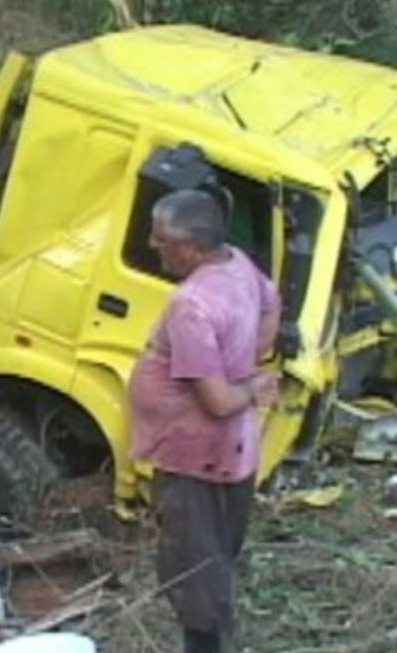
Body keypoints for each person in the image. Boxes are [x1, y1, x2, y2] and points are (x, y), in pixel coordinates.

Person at [128, 189, 281, 653]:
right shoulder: (235, 263)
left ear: (189, 248)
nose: (153, 246)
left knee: (194, 575)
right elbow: (272, 305)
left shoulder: (191, 305)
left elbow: (215, 401)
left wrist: (248, 386)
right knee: (216, 558)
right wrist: (249, 357)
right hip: (234, 451)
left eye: (160, 240)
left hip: (194, 456)